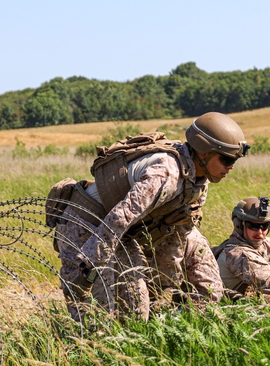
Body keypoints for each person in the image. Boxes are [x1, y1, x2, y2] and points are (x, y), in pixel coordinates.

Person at [53, 112, 247, 321]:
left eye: (234, 160)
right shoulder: (166, 173)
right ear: (203, 153)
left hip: (121, 235)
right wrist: (89, 263)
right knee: (100, 315)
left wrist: (166, 284)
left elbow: (177, 234)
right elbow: (122, 216)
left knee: (136, 312)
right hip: (86, 227)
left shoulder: (198, 183)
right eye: (226, 159)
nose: (231, 167)